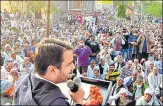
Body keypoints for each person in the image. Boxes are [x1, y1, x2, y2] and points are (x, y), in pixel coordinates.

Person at [14, 38, 85, 105]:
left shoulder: (22, 79)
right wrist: (78, 101)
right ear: (52, 70)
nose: (73, 67)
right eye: (69, 64)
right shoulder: (57, 102)